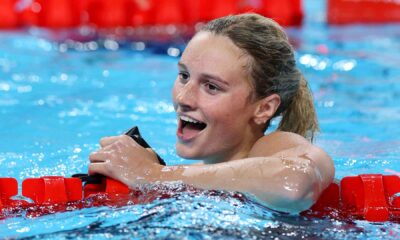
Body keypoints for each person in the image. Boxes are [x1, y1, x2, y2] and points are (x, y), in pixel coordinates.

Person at [88, 13, 335, 213]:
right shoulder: (201, 176)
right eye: (184, 76)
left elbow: (294, 184)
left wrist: (152, 174)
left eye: (211, 87)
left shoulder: (276, 146)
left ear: (264, 108)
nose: (184, 98)